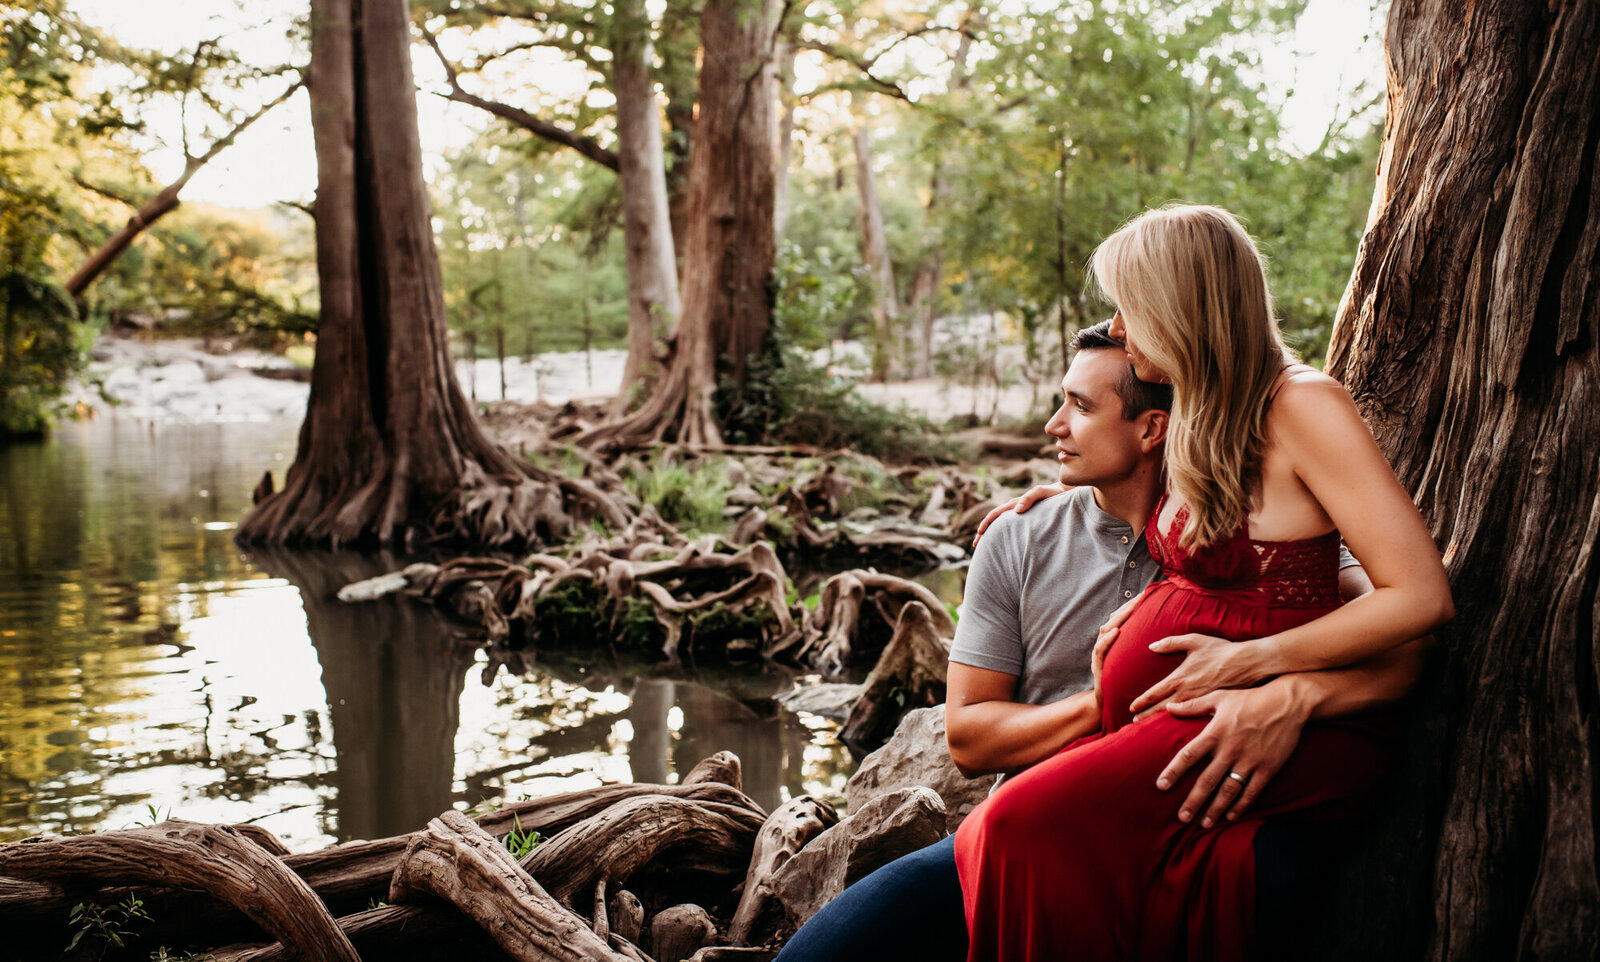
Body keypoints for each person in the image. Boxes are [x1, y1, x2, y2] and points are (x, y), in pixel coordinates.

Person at [774, 319, 1424, 962]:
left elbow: (1399, 643)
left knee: (1278, 886)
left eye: (1080, 407)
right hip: (1037, 820)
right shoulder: (1020, 538)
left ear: (1153, 428)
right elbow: (969, 738)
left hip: (1196, 824)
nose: (1053, 426)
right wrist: (1113, 710)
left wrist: (1295, 698)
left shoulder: (1246, 525)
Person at [954, 204, 1454, 962]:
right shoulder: (1200, 409)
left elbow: (1420, 598)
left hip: (1280, 726)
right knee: (1000, 839)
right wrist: (1061, 494)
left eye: (1130, 307)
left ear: (1178, 305)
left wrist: (1252, 665)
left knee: (1011, 826)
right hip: (1182, 717)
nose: (1119, 330)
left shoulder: (1304, 406)